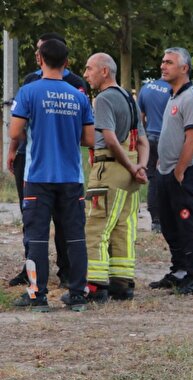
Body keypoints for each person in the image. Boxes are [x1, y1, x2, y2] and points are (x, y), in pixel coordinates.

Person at [6, 38, 94, 310]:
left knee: (37, 238)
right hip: (71, 178)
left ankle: (37, 295)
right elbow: (89, 139)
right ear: (66, 63)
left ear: (40, 59)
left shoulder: (29, 91)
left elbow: (14, 132)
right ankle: (78, 294)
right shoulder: (79, 95)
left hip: (38, 177)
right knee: (75, 237)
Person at [81, 52, 149, 302]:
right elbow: (142, 140)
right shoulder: (129, 99)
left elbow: (108, 138)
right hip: (130, 174)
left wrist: (132, 168)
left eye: (89, 69)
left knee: (96, 227)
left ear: (104, 72)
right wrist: (140, 167)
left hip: (108, 171)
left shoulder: (104, 99)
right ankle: (122, 283)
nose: (86, 74)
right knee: (124, 226)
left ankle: (95, 286)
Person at [149, 47, 193, 295]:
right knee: (169, 225)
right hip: (165, 172)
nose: (163, 66)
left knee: (188, 225)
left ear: (184, 68)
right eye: (162, 61)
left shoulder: (192, 98)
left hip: (184, 173)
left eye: (169, 62)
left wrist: (179, 171)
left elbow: (191, 138)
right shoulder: (173, 96)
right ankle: (179, 271)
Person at [137, 75, 171, 234]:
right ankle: (177, 217)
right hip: (166, 138)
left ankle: (156, 220)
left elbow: (140, 117)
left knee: (153, 179)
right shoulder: (173, 90)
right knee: (170, 178)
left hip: (149, 137)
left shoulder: (146, 88)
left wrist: (141, 140)